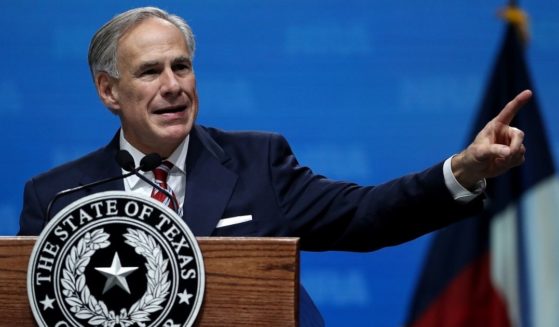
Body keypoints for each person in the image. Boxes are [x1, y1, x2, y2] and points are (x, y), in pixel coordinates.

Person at [18, 6, 530, 326]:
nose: (173, 85)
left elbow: (367, 213)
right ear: (109, 91)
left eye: (182, 66)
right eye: (151, 71)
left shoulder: (256, 161)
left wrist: (464, 169)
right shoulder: (58, 197)